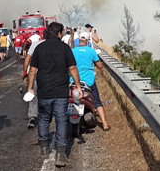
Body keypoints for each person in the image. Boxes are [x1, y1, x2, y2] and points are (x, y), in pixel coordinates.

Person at [27, 22, 81, 167]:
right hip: (61, 91)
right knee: (61, 120)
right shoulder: (64, 48)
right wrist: (78, 85)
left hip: (44, 90)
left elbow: (32, 70)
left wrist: (30, 88)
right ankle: (60, 153)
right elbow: (72, 67)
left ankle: (44, 147)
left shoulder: (39, 47)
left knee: (44, 118)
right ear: (59, 33)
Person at [70, 30, 110, 131]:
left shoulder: (72, 51)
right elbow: (100, 66)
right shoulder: (91, 51)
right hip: (89, 82)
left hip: (74, 81)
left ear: (79, 40)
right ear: (88, 40)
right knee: (97, 102)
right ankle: (104, 124)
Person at [22, 33, 45, 129]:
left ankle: (32, 116)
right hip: (48, 75)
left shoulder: (35, 44)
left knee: (33, 94)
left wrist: (24, 71)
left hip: (35, 73)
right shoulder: (52, 44)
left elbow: (27, 58)